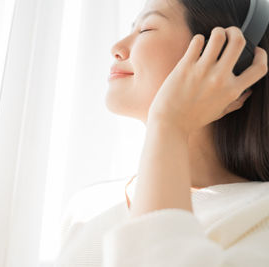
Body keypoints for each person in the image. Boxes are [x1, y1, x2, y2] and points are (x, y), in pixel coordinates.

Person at [55, 0, 269, 266]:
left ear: (229, 60)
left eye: (145, 29)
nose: (117, 48)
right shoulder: (88, 205)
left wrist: (170, 124)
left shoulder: (261, 214)